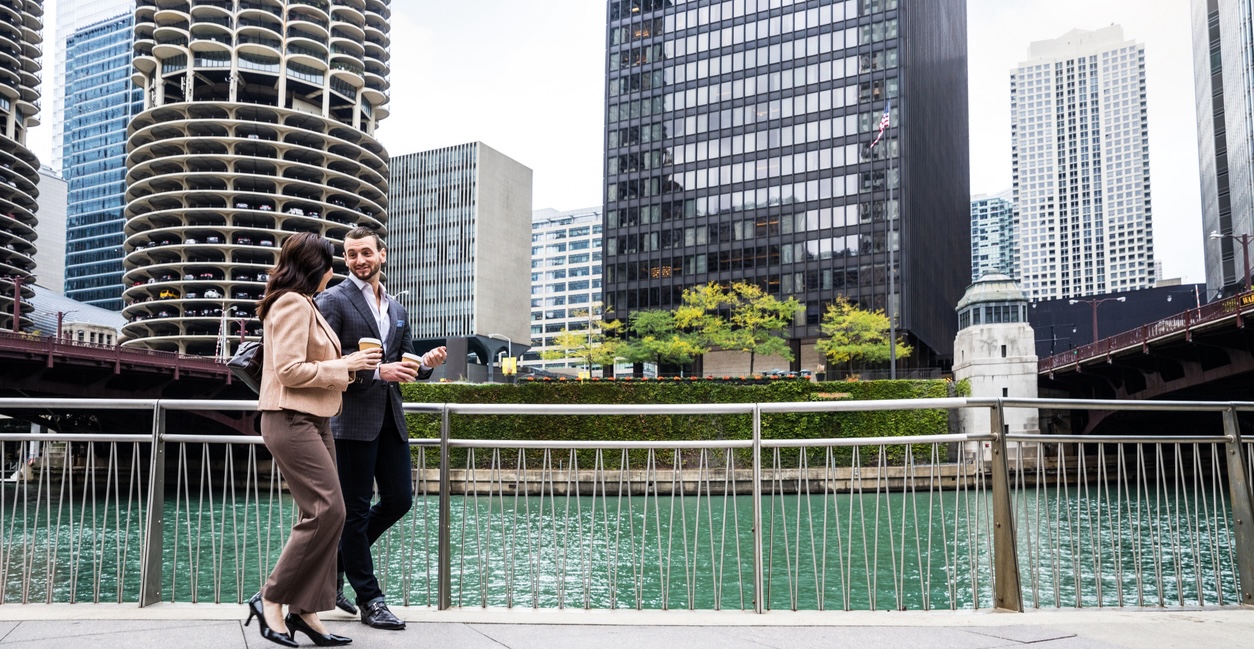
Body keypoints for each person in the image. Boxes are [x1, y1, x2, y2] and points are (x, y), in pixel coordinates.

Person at [246, 232, 382, 647]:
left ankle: (305, 611)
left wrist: (347, 366)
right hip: (290, 418)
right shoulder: (290, 303)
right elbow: (288, 370)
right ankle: (270, 597)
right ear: (316, 267)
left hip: (317, 419)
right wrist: (346, 364)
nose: (334, 271)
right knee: (328, 509)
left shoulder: (306, 304)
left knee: (328, 514)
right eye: (331, 263)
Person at [315, 227, 447, 630]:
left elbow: (400, 364)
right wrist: (375, 371)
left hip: (391, 418)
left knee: (399, 500)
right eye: (351, 254)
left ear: (382, 255)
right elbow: (327, 359)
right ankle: (371, 599)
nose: (358, 260)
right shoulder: (333, 300)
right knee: (353, 513)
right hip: (351, 420)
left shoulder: (397, 307)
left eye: (365, 253)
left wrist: (424, 365)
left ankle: (330, 567)